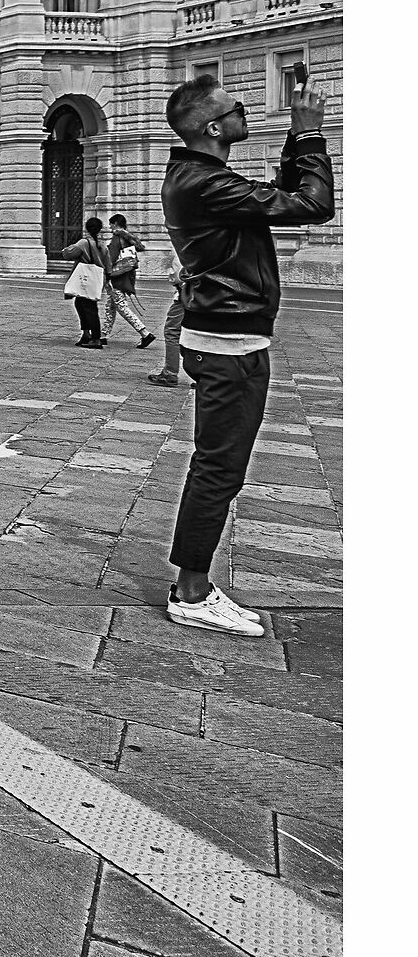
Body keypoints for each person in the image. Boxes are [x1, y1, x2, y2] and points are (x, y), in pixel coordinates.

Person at [160, 68, 333, 636]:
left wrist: (294, 142)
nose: (244, 111)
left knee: (217, 464)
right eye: (235, 108)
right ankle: (191, 592)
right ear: (213, 125)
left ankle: (191, 583)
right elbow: (311, 204)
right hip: (228, 343)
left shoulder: (202, 176)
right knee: (219, 467)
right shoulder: (205, 182)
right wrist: (308, 135)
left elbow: (280, 202)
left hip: (226, 336)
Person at [54, 217, 114, 347]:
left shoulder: (84, 242)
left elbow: (68, 254)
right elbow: (108, 266)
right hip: (96, 280)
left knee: (88, 307)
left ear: (87, 228)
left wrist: (68, 248)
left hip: (85, 279)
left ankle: (95, 338)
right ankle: (86, 334)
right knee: (82, 304)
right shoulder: (102, 245)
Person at [103, 213, 156, 347]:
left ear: (115, 224)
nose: (109, 227)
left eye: (111, 224)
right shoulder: (128, 238)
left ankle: (144, 333)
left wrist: (105, 272)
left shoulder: (117, 238)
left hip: (117, 277)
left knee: (121, 307)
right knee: (110, 306)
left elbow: (111, 258)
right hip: (127, 274)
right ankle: (103, 334)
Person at [146, 257, 188, 387]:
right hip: (207, 293)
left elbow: (175, 274)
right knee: (199, 331)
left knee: (172, 331)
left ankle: (170, 373)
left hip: (187, 293)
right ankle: (204, 375)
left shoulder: (185, 242)